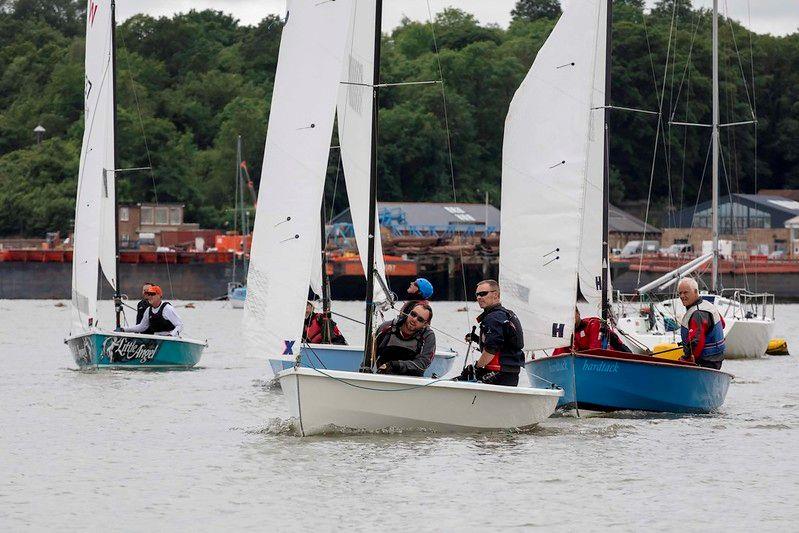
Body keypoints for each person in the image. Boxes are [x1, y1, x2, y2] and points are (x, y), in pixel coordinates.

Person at [459, 280, 524, 386]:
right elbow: (504, 343)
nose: (479, 297)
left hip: (499, 373)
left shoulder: (494, 317)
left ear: (495, 295)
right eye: (477, 294)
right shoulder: (507, 314)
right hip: (510, 373)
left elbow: (491, 350)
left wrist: (476, 367)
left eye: (483, 294)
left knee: (463, 380)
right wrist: (476, 338)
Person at [374, 302, 436, 377]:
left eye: (420, 319)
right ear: (408, 313)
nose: (414, 319)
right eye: (413, 314)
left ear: (425, 324)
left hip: (411, 381)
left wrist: (396, 365)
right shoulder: (386, 327)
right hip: (383, 377)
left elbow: (422, 364)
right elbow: (371, 355)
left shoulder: (428, 336)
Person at [677, 278, 726, 369]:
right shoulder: (707, 305)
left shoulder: (698, 313)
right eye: (680, 293)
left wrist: (687, 359)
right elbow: (722, 324)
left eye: (686, 292)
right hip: (716, 359)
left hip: (706, 361)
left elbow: (697, 342)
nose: (682, 296)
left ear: (695, 292)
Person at [552, 308, 631, 355]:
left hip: (621, 355)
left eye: (573, 313)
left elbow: (595, 350)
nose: (571, 317)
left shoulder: (593, 324)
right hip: (590, 364)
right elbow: (558, 354)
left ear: (578, 313)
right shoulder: (569, 333)